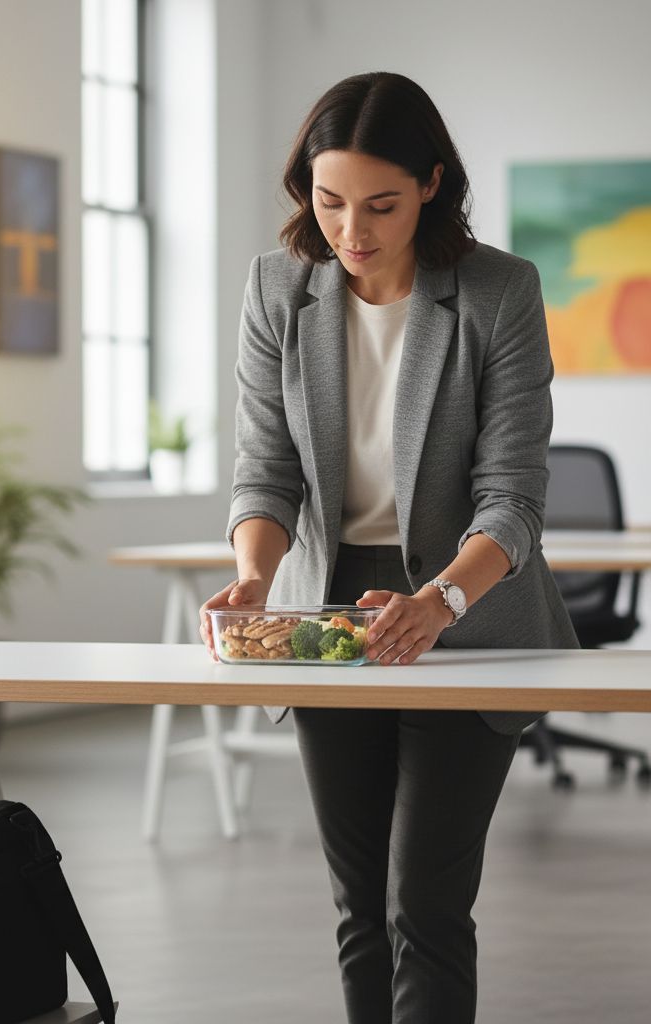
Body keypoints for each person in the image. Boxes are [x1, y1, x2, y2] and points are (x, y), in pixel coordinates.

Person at [198, 71, 578, 1024]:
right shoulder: (278, 289)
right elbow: (265, 466)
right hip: (325, 606)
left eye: (381, 205)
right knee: (358, 905)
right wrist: (254, 573)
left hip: (467, 603)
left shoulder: (498, 293)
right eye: (329, 202)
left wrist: (441, 601)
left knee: (426, 904)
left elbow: (513, 498)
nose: (352, 231)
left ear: (433, 186)